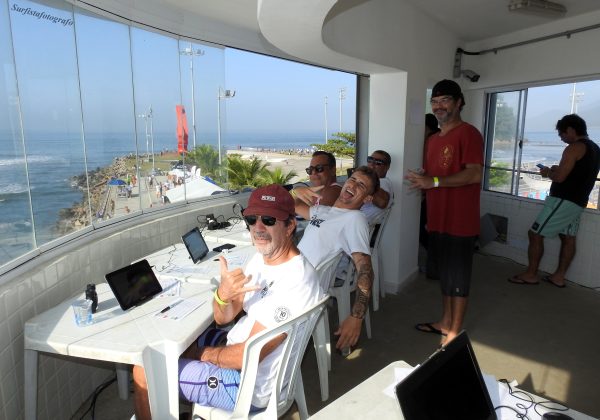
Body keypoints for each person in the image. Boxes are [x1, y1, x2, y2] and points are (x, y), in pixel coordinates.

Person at [132, 184, 323, 419]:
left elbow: (247, 356)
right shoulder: (261, 259)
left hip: (248, 384)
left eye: (269, 220)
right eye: (252, 219)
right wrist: (222, 295)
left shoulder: (296, 280)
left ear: (290, 225)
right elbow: (224, 317)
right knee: (167, 343)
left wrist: (202, 354)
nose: (258, 228)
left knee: (145, 371)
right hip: (239, 348)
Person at [405, 79, 483, 345]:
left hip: (460, 221)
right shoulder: (433, 139)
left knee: (458, 280)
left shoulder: (469, 134)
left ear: (459, 102)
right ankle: (445, 322)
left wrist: (434, 182)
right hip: (438, 219)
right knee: (446, 278)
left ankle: (453, 335)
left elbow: (473, 174)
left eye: (445, 100)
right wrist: (424, 176)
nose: (439, 106)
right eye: (435, 102)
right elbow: (438, 173)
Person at [293, 166, 378, 351]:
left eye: (361, 185)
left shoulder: (354, 219)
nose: (353, 185)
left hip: (300, 288)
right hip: (288, 275)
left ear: (367, 199)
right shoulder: (322, 210)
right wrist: (297, 190)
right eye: (353, 179)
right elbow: (293, 206)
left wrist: (357, 317)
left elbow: (365, 270)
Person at [509, 114, 600, 288]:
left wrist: (548, 173)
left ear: (571, 130)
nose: (561, 137)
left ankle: (530, 274)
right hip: (578, 202)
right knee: (568, 237)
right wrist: (557, 170)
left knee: (535, 234)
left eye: (562, 133)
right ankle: (558, 277)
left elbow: (559, 177)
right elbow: (578, 173)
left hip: (563, 200)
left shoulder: (574, 147)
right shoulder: (595, 148)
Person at [420, 114, 441, 252]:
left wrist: (423, 188)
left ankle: (435, 256)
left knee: (421, 224)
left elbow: (427, 167)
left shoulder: (430, 140)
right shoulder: (441, 137)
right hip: (442, 189)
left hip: (434, 188)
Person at [361, 150, 393, 223]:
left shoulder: (383, 182)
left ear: (387, 167)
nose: (372, 165)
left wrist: (364, 182)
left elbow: (382, 202)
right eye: (370, 160)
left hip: (359, 223)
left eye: (378, 162)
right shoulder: (376, 181)